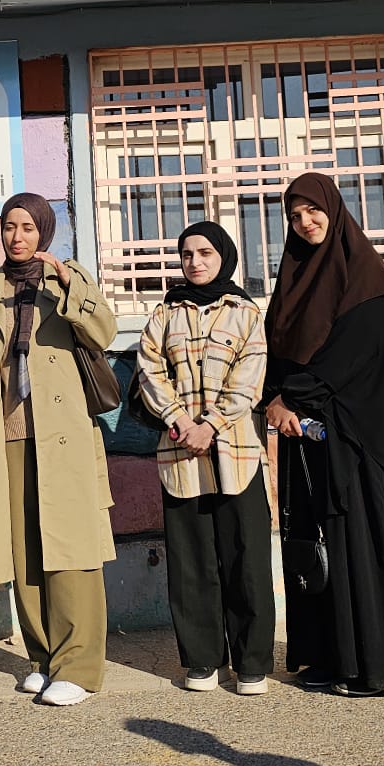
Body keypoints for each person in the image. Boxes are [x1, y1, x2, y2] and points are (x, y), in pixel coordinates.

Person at [261, 173, 384, 697]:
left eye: (312, 211)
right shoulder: (295, 279)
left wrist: (289, 398)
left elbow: (348, 358)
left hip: (364, 444)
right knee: (318, 549)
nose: (305, 222)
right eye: (294, 217)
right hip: (312, 438)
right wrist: (278, 398)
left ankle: (377, 665)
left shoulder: (365, 280)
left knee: (362, 546)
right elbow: (279, 351)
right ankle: (330, 657)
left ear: (334, 211)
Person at [0, 194, 117, 707]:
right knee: (22, 546)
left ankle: (79, 665)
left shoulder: (66, 280)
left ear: (44, 232)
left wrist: (71, 284)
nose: (17, 236)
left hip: (63, 433)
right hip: (7, 430)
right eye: (9, 226)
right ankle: (42, 656)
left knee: (71, 548)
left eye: (28, 226)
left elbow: (105, 330)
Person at [134, 221, 274, 695]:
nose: (195, 262)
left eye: (206, 253)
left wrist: (211, 424)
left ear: (225, 257)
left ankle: (252, 663)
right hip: (180, 453)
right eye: (188, 254)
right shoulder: (164, 315)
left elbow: (250, 378)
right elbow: (150, 370)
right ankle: (202, 661)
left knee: (246, 559)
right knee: (192, 562)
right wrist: (181, 423)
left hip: (236, 453)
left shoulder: (246, 313)